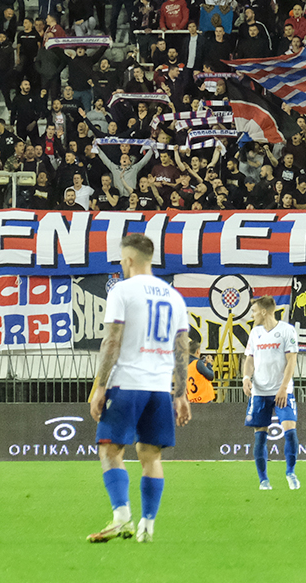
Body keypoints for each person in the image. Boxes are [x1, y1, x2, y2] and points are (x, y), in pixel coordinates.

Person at [86, 232, 190, 543]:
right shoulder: (174, 296)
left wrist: (100, 386)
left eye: (121, 259)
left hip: (128, 383)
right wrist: (181, 392)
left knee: (110, 449)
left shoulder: (123, 290)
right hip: (159, 387)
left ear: (129, 260)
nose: (121, 264)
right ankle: (148, 525)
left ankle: (121, 516)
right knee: (150, 455)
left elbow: (112, 340)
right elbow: (182, 347)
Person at [242, 295, 301, 490]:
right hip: (259, 392)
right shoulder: (255, 333)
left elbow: (292, 359)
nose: (252, 314)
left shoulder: (286, 330)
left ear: (264, 311)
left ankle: (290, 472)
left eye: (254, 310)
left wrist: (283, 387)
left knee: (290, 431)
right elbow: (249, 359)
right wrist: (246, 377)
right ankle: (263, 480)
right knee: (260, 436)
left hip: (282, 391)